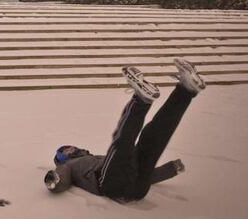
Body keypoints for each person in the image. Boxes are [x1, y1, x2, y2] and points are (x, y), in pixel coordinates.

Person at [44, 59, 206, 202]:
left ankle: (186, 91)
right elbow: (61, 179)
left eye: (69, 146)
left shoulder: (92, 158)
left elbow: (148, 174)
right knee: (121, 142)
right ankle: (141, 100)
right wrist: (54, 181)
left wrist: (170, 169)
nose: (70, 148)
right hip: (109, 184)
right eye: (65, 150)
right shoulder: (68, 165)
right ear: (62, 158)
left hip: (138, 189)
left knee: (152, 139)